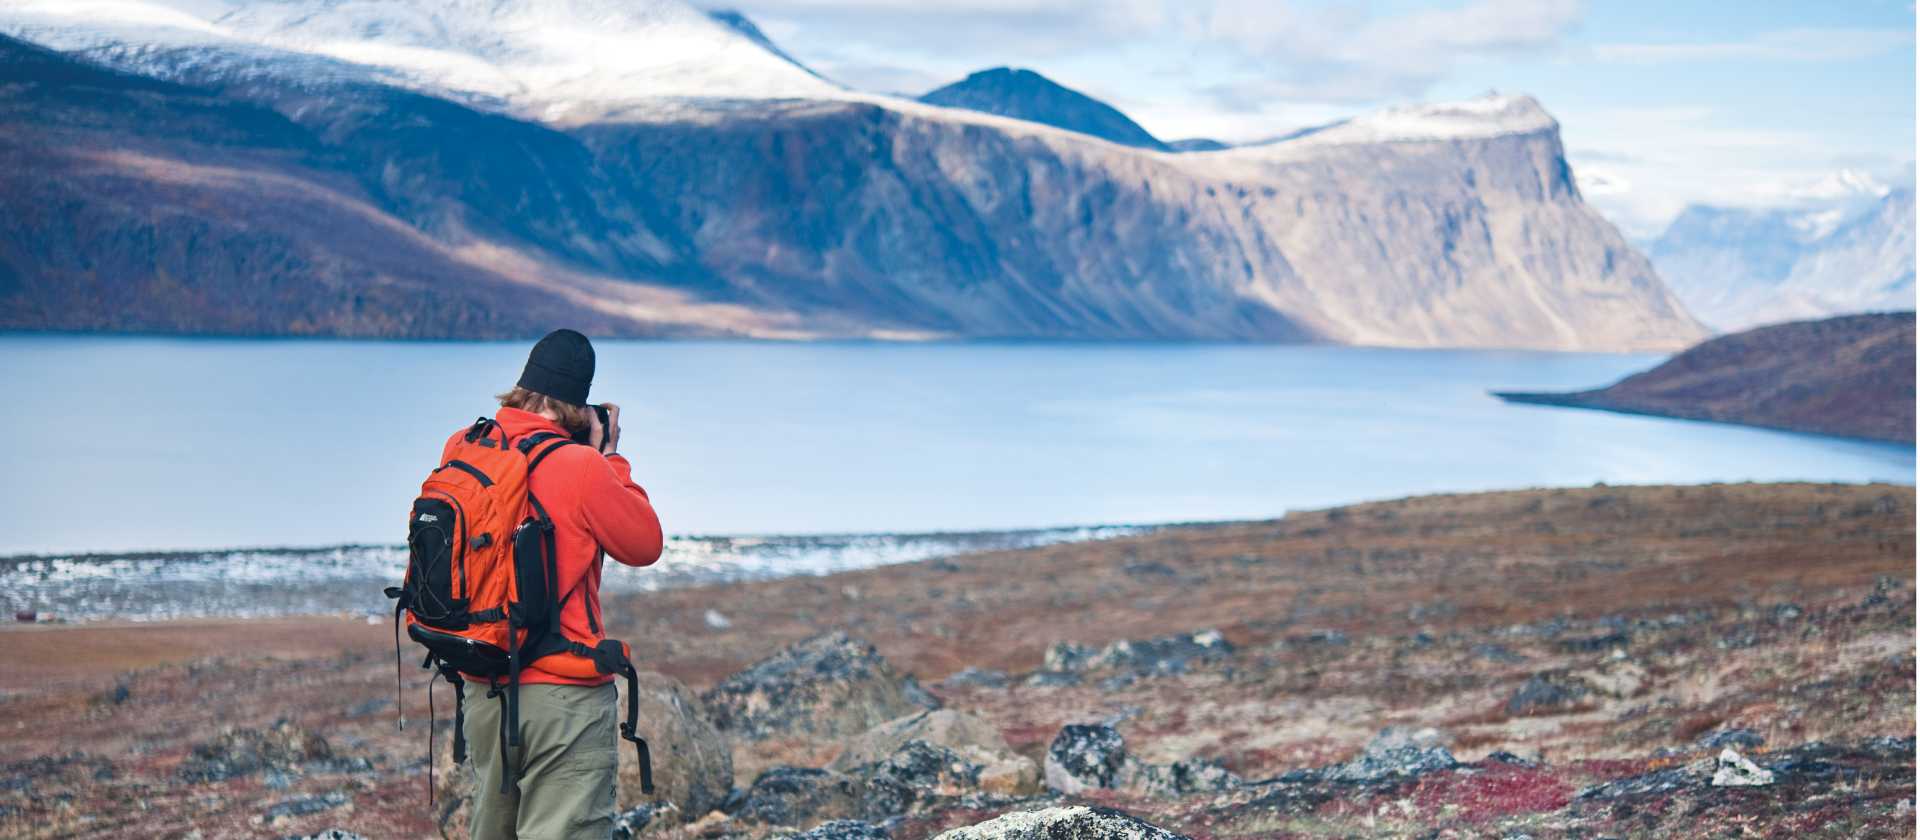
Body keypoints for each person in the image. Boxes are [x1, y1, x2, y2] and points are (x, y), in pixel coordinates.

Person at [457, 328, 663, 840]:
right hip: (562, 697)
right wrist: (610, 457)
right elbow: (644, 544)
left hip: (484, 685)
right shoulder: (582, 466)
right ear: (580, 408)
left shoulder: (466, 445)